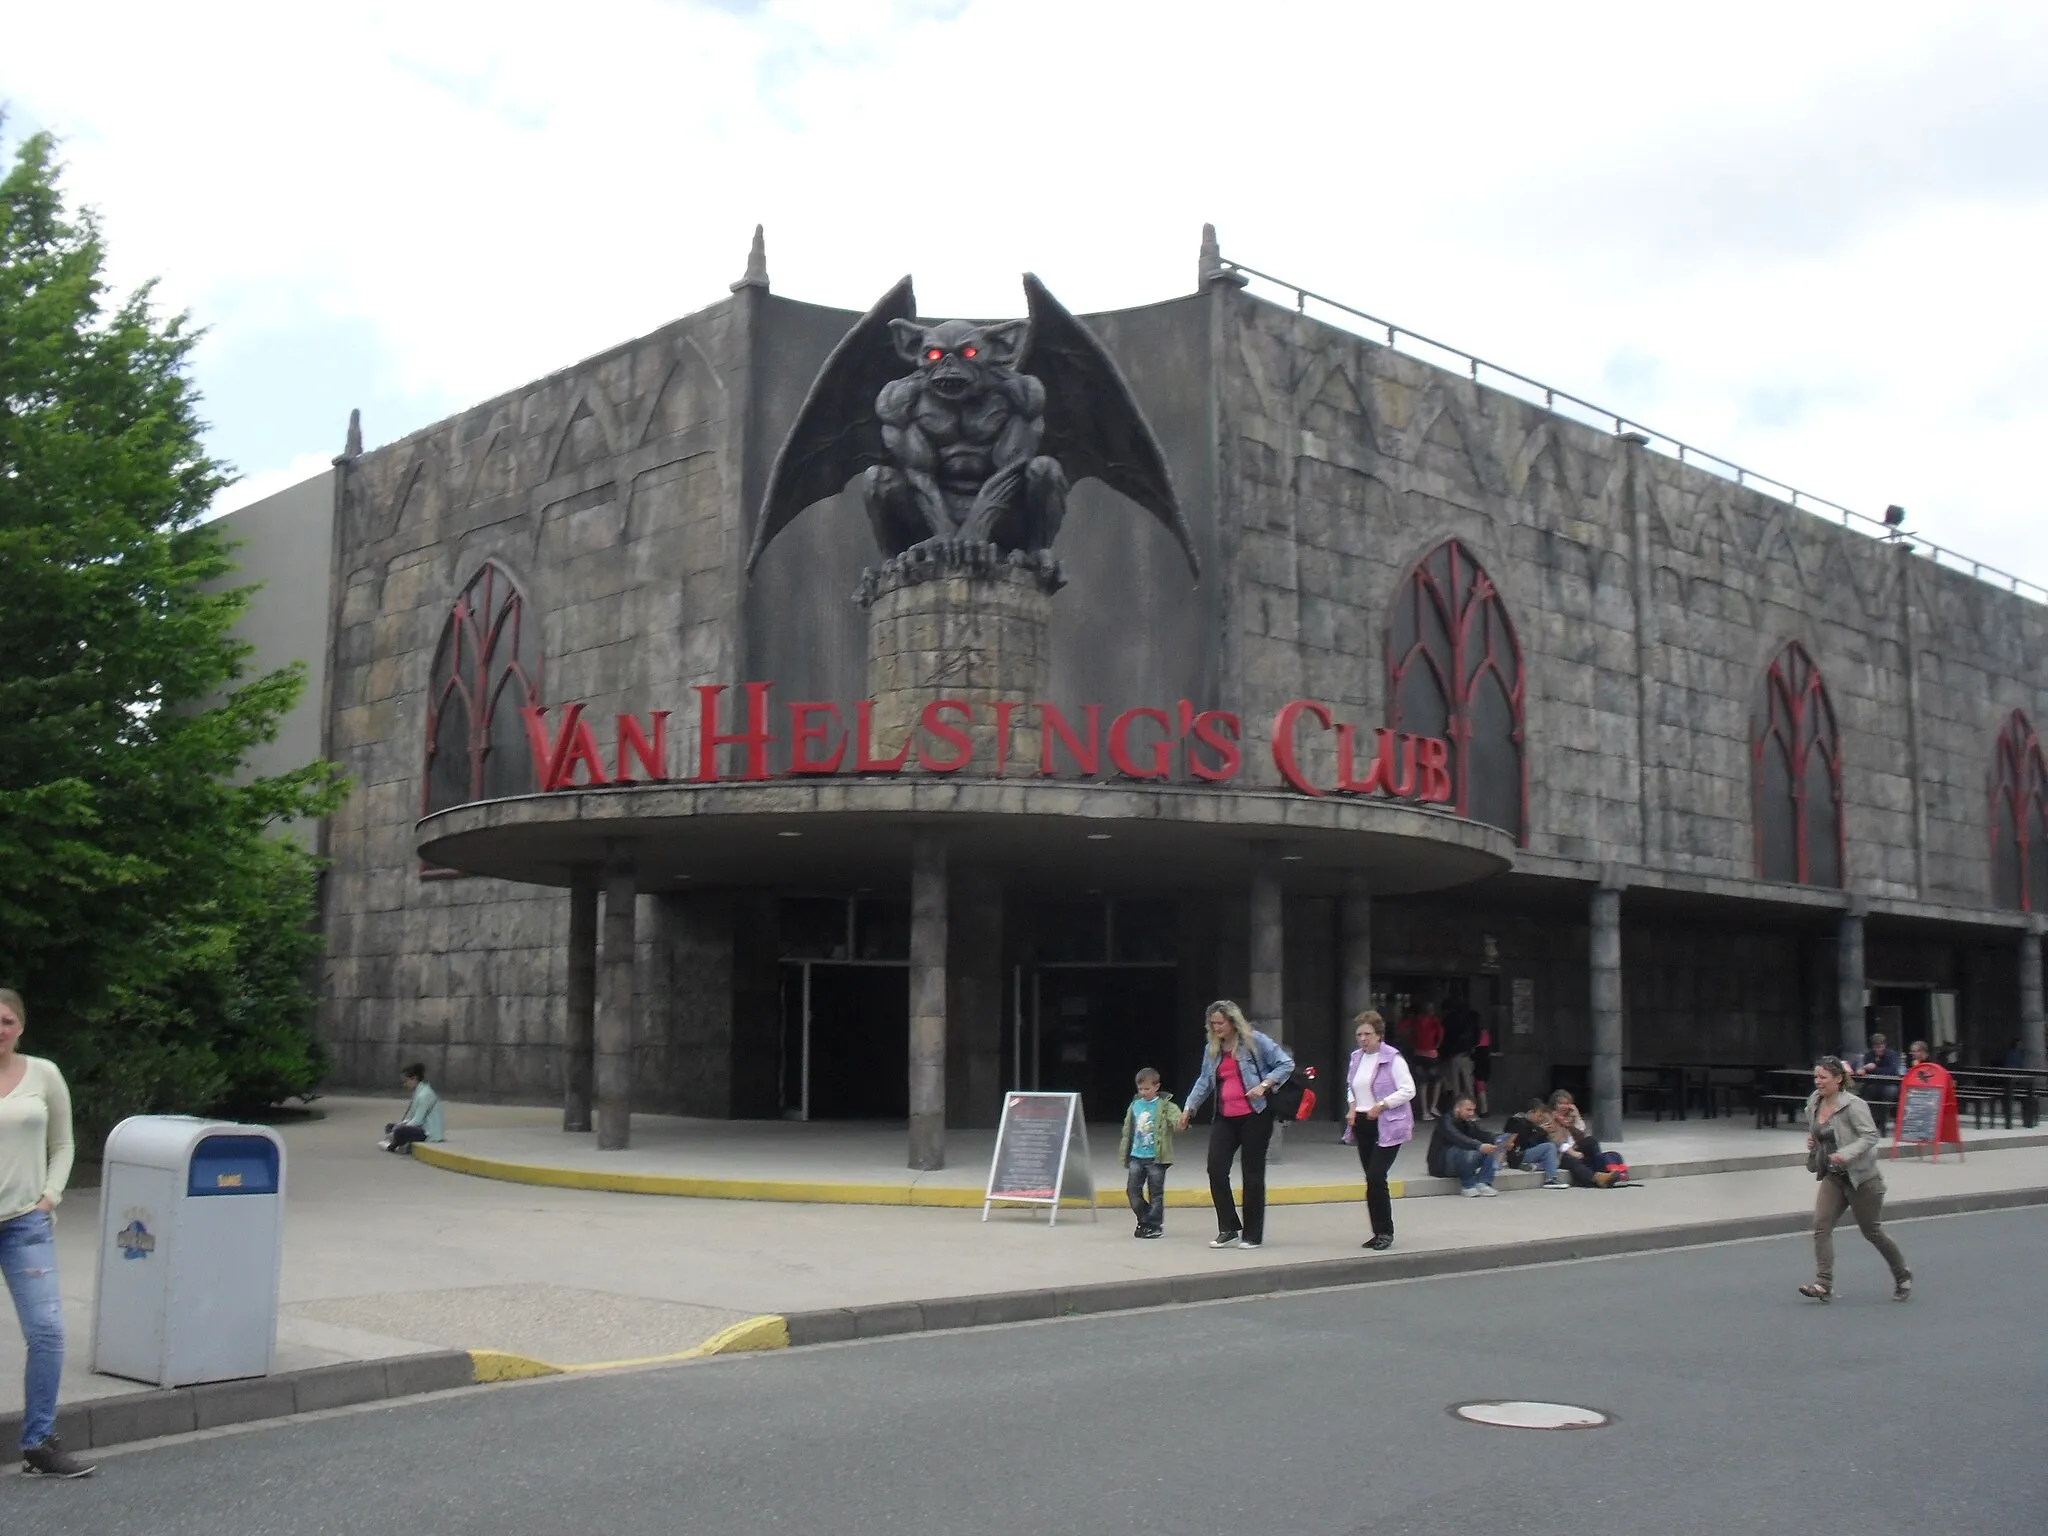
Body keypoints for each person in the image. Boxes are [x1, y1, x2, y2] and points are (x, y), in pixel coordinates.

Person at [0, 989, 94, 1479]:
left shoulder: (44, 1074)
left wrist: (50, 1197)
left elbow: (63, 1142)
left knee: (48, 1333)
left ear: (21, 1026)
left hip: (25, 1225)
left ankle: (38, 1441)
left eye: (6, 1020)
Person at [1176, 1001, 1292, 1251]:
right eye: (1212, 1024)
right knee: (1215, 1168)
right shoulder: (1213, 1049)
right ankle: (1228, 1227)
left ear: (1232, 1022)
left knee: (1252, 1174)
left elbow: (1286, 1064)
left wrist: (1264, 1085)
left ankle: (1252, 1234)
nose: (1216, 1027)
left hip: (1255, 1115)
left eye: (1220, 1022)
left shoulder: (1255, 1041)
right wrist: (1189, 1108)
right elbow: (1204, 1081)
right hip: (1225, 1116)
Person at [1799, 1055, 1912, 1303]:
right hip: (1834, 1177)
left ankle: (1902, 1275)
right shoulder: (1814, 1102)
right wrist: (1813, 1143)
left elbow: (1870, 1136)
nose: (1818, 1082)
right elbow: (1819, 1132)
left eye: (1823, 1077)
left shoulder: (1853, 1105)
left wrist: (1846, 1154)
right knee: (1821, 1225)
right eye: (1815, 1077)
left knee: (1872, 1232)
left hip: (1862, 1179)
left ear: (1838, 1079)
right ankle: (1823, 1283)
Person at [1346, 1011, 1416, 1250]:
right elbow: (1351, 1087)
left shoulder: (1393, 1058)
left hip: (1388, 1123)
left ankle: (1386, 1231)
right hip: (1363, 1122)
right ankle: (1377, 1231)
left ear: (1379, 1035)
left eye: (1368, 1034)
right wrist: (1352, 1107)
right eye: (1359, 1035)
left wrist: (1382, 1104)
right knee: (1371, 1179)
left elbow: (1408, 1090)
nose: (1363, 1039)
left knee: (1377, 1174)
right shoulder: (1356, 1058)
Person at [1118, 1068, 1175, 1238]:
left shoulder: (1165, 1105)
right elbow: (1128, 1130)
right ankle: (1145, 1219)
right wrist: (1125, 1152)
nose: (1143, 1092)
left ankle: (1155, 1226)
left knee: (1155, 1193)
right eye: (1140, 1089)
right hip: (1136, 1156)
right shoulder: (1135, 1105)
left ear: (1157, 1086)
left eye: (1147, 1089)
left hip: (1156, 1157)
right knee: (1132, 1190)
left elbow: (1176, 1119)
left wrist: (1182, 1122)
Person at [1548, 1089, 1624, 1188]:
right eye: (1561, 1103)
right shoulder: (1550, 1118)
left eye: (1567, 1103)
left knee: (1591, 1141)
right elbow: (1556, 1141)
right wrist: (1572, 1152)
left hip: (1575, 1148)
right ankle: (1595, 1179)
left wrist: (1576, 1117)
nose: (1564, 1106)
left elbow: (1582, 1135)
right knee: (1571, 1160)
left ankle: (1604, 1172)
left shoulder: (1570, 1117)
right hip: (1561, 1154)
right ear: (1554, 1104)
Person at [1426, 1095, 1500, 1196]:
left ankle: (1483, 1183)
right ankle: (1468, 1186)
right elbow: (1458, 1138)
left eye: (1473, 1110)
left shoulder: (1467, 1122)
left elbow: (1481, 1134)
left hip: (1461, 1161)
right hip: (1441, 1165)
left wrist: (1499, 1139)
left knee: (1492, 1150)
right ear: (1457, 1108)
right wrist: (1479, 1146)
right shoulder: (1445, 1121)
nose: (1471, 1113)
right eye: (1468, 1110)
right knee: (1465, 1150)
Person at [1500, 1099, 1567, 1187]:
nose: (1540, 1119)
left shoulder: (1532, 1125)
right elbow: (1515, 1141)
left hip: (1527, 1154)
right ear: (1531, 1112)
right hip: (1517, 1155)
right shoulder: (1517, 1121)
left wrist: (1542, 1132)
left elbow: (1535, 1141)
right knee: (1550, 1147)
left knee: (1555, 1158)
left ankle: (1533, 1166)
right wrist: (1538, 1130)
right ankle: (1550, 1179)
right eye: (1539, 1116)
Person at [380, 1063, 445, 1154]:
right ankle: (398, 1141)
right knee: (390, 1126)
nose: (404, 1084)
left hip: (428, 1132)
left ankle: (395, 1144)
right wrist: (399, 1125)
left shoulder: (425, 1094)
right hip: (421, 1127)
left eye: (406, 1081)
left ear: (414, 1078)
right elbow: (413, 1118)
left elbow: (418, 1120)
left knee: (399, 1130)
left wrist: (398, 1128)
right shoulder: (419, 1092)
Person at [1440, 998, 1479, 1113]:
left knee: (1455, 1086)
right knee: (1468, 1085)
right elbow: (1476, 1035)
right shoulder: (1470, 1019)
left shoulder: (1448, 1020)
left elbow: (1445, 1038)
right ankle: (1472, 1111)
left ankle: (1457, 1111)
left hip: (1453, 1054)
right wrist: (1472, 1048)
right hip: (1465, 1054)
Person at [1407, 1000, 1444, 1120]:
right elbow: (1441, 1034)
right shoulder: (1434, 1021)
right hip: (1431, 1054)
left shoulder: (1415, 1021)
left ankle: (1424, 1111)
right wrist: (1436, 1045)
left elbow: (1410, 1035)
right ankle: (1433, 1106)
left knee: (1423, 1083)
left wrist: (1414, 1045)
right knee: (1437, 1080)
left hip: (1418, 1053)